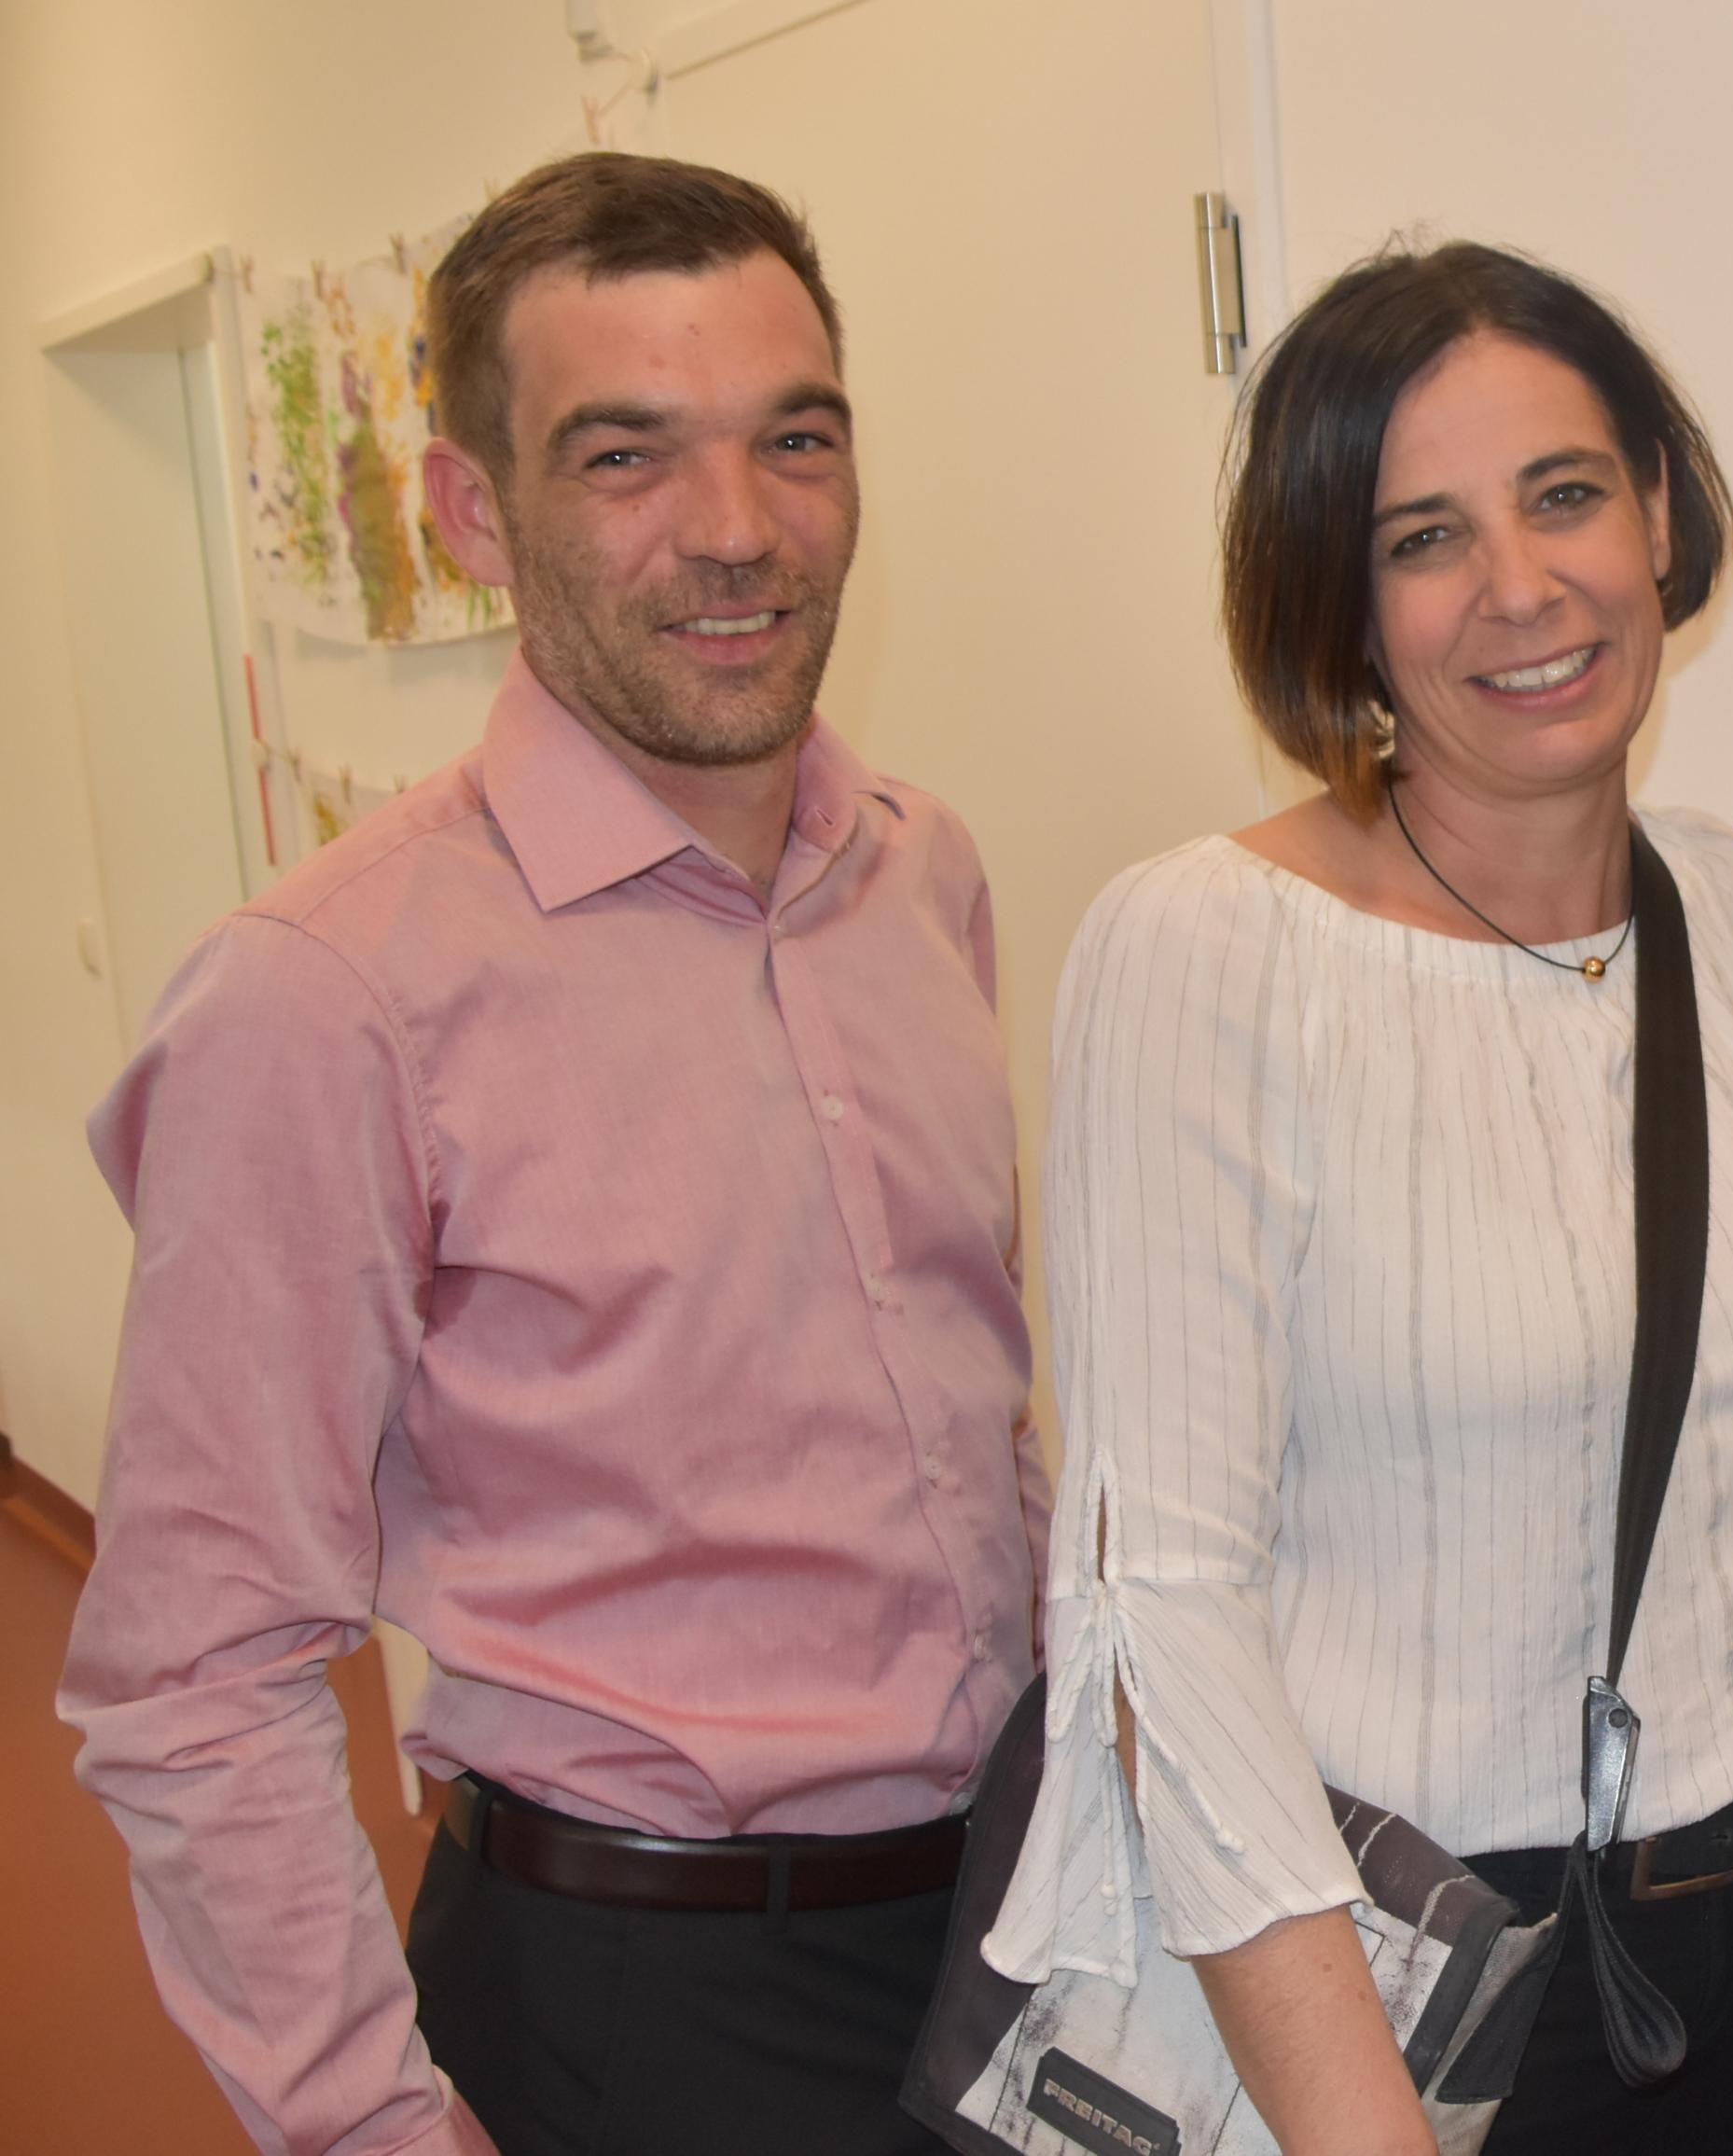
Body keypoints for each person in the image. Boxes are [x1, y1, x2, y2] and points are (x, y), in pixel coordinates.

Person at [59, 154, 1040, 2156]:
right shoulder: (325, 994)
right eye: (625, 455)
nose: (737, 528)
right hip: (640, 2001)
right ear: (470, 511)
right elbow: (198, 1675)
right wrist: (370, 2129)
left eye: (795, 438)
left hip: (1019, 1932)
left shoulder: (921, 874)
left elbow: (971, 1405)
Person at [977, 241, 1733, 2156]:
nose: (1520, 587)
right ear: (1341, 604)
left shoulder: (1727, 907)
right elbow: (1159, 1605)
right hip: (1401, 1973)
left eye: (1564, 494)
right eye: (1423, 539)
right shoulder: (1208, 947)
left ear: (1656, 512)